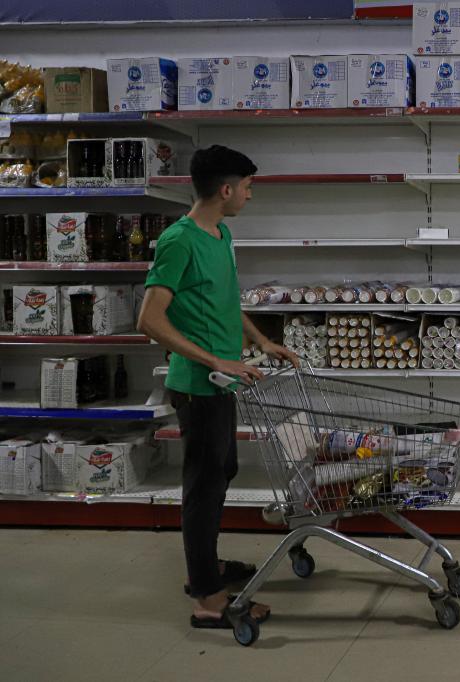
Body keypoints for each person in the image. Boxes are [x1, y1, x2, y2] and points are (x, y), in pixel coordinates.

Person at [137, 145, 299, 629]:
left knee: (220, 472)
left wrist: (261, 341)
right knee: (204, 487)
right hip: (198, 385)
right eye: (247, 187)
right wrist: (214, 359)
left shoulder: (220, 233)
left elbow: (225, 301)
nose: (250, 195)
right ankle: (208, 600)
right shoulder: (178, 240)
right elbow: (149, 319)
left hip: (223, 383)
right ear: (226, 189)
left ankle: (205, 568)